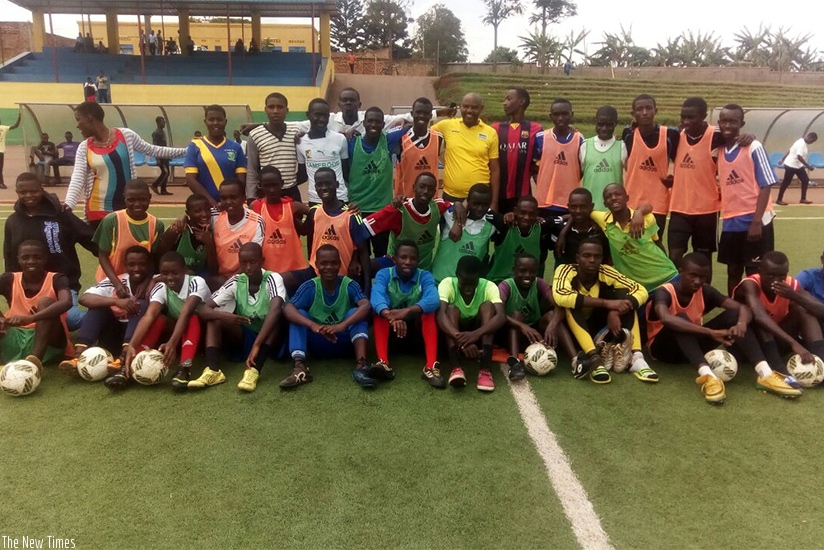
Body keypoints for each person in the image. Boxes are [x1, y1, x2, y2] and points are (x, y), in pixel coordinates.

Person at [647, 252, 778, 404]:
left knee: (733, 315)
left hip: (691, 348)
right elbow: (666, 318)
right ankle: (708, 377)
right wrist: (710, 332)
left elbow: (743, 308)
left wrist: (741, 324)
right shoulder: (664, 292)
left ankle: (765, 374)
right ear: (681, 271)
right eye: (693, 275)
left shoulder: (706, 290)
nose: (698, 281)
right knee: (680, 319)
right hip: (663, 350)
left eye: (703, 277)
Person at [553, 238, 656, 384]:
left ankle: (637, 358)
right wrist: (607, 303)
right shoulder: (566, 270)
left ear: (602, 259)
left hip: (595, 325)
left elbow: (640, 290)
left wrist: (615, 311)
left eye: (596, 256)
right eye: (586, 255)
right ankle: (594, 359)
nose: (592, 260)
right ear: (578, 258)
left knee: (626, 298)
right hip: (573, 329)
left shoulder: (606, 272)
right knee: (571, 303)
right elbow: (561, 296)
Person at [66, 101, 186, 224]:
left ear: (89, 119)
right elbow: (77, 178)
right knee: (103, 244)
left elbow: (154, 150)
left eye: (78, 120)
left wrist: (187, 151)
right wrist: (68, 204)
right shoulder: (84, 147)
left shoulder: (125, 135)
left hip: (127, 209)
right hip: (98, 211)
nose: (78, 125)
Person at [4, 174, 97, 331]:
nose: (29, 196)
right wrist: (12, 294)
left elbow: (89, 238)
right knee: (24, 324)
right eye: (23, 192)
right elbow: (10, 257)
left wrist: (111, 257)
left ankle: (102, 314)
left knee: (71, 321)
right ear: (17, 192)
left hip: (63, 285)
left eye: (33, 191)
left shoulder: (61, 215)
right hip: (29, 288)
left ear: (42, 189)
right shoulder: (13, 222)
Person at [194, 243, 288, 392]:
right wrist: (225, 316)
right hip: (247, 334)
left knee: (277, 317)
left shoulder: (273, 278)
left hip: (272, 339)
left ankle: (254, 370)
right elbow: (203, 309)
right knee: (214, 319)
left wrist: (257, 344)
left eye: (253, 262)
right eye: (244, 263)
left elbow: (276, 310)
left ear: (262, 261)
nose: (248, 267)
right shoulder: (237, 281)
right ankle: (213, 370)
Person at [58, 246, 154, 385]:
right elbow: (84, 298)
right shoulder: (119, 280)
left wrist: (152, 280)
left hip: (139, 338)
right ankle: (79, 356)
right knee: (98, 307)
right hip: (114, 335)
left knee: (140, 305)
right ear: (125, 265)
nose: (137, 269)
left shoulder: (156, 282)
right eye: (132, 264)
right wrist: (116, 301)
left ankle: (122, 359)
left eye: (142, 264)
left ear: (149, 265)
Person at [281, 245, 371, 389]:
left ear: (340, 264)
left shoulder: (348, 284)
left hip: (344, 341)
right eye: (324, 263)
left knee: (355, 312)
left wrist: (342, 325)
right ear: (316, 265)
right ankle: (299, 367)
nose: (329, 267)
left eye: (334, 263)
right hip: (319, 342)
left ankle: (361, 365)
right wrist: (313, 326)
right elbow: (288, 308)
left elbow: (366, 305)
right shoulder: (310, 286)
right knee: (300, 315)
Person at [734, 251, 824, 394]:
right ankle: (779, 370)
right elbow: (760, 317)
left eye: (781, 276)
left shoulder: (789, 284)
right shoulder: (750, 284)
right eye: (770, 275)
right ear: (760, 271)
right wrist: (794, 343)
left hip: (776, 342)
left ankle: (821, 362)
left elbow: (820, 311)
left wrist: (794, 295)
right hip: (748, 346)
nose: (776, 280)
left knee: (802, 309)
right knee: (760, 318)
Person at [123, 252, 209, 390]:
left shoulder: (196, 282)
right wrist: (132, 344)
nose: (169, 278)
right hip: (180, 333)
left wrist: (171, 343)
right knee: (158, 319)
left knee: (192, 317)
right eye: (164, 273)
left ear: (185, 270)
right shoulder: (161, 286)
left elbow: (186, 313)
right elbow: (149, 315)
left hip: (204, 334)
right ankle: (131, 363)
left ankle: (184, 368)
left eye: (175, 273)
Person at [716, 104, 778, 295]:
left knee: (755, 271)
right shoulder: (717, 148)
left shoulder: (753, 146)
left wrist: (757, 221)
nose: (728, 125)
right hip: (730, 220)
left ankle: (759, 313)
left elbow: (766, 184)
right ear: (718, 123)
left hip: (755, 219)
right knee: (733, 270)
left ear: (741, 123)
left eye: (733, 121)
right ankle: (734, 310)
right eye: (724, 120)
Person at [370, 240, 442, 387]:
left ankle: (430, 366)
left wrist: (406, 311)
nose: (408, 262)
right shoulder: (384, 274)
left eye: (413, 258)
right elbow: (376, 297)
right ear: (395, 259)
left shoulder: (425, 276)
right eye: (403, 257)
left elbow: (434, 299)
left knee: (429, 312)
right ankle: (384, 363)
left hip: (416, 331)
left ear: (418, 260)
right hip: (393, 330)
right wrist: (390, 316)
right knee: (378, 313)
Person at [668, 97, 725, 270]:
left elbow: (737, 141)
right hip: (679, 208)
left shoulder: (716, 136)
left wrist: (749, 137)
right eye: (683, 117)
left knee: (703, 259)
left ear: (703, 116)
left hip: (706, 210)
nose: (685, 121)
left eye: (691, 117)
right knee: (674, 257)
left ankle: (704, 295)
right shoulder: (677, 137)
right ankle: (677, 293)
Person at [293, 168, 370, 294]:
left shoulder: (350, 214)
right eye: (319, 184)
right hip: (316, 273)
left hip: (341, 277)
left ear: (337, 184)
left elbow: (364, 251)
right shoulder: (314, 212)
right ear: (315, 187)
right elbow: (304, 231)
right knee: (284, 280)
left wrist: (367, 289)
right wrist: (291, 211)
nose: (324, 188)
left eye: (328, 183)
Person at [436, 255, 507, 392]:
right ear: (457, 275)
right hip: (456, 336)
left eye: (473, 282)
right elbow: (440, 315)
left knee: (488, 306)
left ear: (479, 277)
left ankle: (485, 369)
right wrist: (463, 341)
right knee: (450, 309)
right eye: (464, 282)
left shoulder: (489, 286)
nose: (468, 288)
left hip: (478, 335)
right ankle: (456, 368)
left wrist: (476, 334)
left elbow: (501, 316)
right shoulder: (447, 284)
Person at [591, 183, 677, 292]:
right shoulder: (604, 220)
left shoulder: (647, 218)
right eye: (609, 196)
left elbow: (658, 243)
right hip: (636, 286)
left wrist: (639, 212)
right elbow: (583, 211)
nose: (613, 198)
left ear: (627, 198)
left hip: (665, 276)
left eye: (618, 194)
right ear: (605, 203)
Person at [499, 253, 573, 380]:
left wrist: (552, 325)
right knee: (516, 315)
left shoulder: (540, 283)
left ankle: (575, 360)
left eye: (532, 271)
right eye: (522, 271)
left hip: (534, 334)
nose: (527, 275)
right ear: (513, 270)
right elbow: (499, 314)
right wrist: (522, 326)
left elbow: (559, 306)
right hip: (511, 334)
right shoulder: (506, 286)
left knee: (551, 315)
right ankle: (515, 364)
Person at [363, 172, 455, 272]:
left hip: (422, 269)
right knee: (362, 268)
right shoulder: (399, 209)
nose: (425, 191)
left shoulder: (437, 207)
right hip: (395, 265)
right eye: (422, 186)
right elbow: (363, 228)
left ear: (434, 192)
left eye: (430, 188)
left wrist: (458, 206)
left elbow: (456, 207)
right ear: (414, 187)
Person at [0, 241, 72, 366]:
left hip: (48, 339)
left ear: (45, 259)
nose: (31, 261)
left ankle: (34, 364)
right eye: (25, 257)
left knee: (46, 302)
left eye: (37, 257)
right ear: (18, 259)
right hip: (15, 336)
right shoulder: (9, 279)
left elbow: (66, 302)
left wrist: (31, 318)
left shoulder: (57, 279)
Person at [347, 107, 404, 257]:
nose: (374, 124)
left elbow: (411, 126)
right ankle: (362, 282)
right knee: (360, 255)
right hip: (357, 209)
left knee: (381, 254)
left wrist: (403, 123)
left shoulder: (388, 140)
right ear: (364, 123)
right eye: (370, 121)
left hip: (381, 210)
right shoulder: (352, 144)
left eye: (378, 122)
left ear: (383, 124)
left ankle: (380, 281)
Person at [622, 94, 679, 237]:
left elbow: (682, 160)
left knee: (655, 244)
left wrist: (675, 178)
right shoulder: (628, 134)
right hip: (632, 201)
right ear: (633, 113)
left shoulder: (670, 135)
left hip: (658, 202)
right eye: (640, 109)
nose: (645, 112)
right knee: (633, 244)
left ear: (656, 110)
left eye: (649, 108)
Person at [431, 93, 500, 208]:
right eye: (466, 106)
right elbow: (422, 129)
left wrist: (494, 203)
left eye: (474, 107)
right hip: (451, 196)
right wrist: (440, 113)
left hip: (480, 198)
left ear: (481, 109)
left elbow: (495, 170)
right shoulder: (446, 126)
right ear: (460, 107)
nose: (469, 110)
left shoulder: (490, 133)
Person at [93, 179, 164, 285]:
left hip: (138, 282)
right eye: (131, 200)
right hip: (110, 281)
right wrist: (117, 284)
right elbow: (103, 256)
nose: (137, 204)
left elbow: (152, 260)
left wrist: (145, 284)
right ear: (124, 198)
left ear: (149, 198)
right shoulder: (112, 221)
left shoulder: (156, 225)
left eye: (142, 199)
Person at [250, 166, 309, 293]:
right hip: (267, 272)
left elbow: (318, 213)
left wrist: (302, 227)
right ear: (260, 186)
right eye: (267, 185)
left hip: (294, 271)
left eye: (275, 185)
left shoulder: (293, 206)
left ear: (282, 184)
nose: (271, 190)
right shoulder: (256, 207)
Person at [431, 183, 502, 282]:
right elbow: (431, 203)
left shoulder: (492, 224)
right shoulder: (450, 214)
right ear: (468, 201)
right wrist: (457, 205)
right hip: (438, 282)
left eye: (484, 204)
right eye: (475, 204)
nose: (480, 208)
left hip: (466, 287)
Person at [185, 104, 247, 207]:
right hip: (206, 207)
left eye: (219, 119)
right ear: (205, 121)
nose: (215, 123)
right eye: (211, 119)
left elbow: (241, 180)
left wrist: (231, 201)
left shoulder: (235, 147)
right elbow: (191, 180)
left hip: (230, 207)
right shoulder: (195, 145)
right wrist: (213, 204)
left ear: (225, 122)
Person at [492, 88, 542, 214]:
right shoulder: (495, 129)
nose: (504, 103)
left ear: (521, 102)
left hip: (522, 195)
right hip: (498, 195)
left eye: (509, 99)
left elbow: (538, 162)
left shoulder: (536, 129)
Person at [246, 92, 302, 202]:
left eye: (280, 107)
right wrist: (251, 198)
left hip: (291, 192)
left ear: (287, 110)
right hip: (267, 193)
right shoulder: (255, 135)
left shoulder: (296, 132)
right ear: (265, 110)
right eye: (271, 107)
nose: (275, 111)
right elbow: (252, 170)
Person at [534, 98, 584, 217]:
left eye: (565, 114)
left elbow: (581, 169)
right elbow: (533, 167)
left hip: (569, 203)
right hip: (544, 202)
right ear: (551, 116)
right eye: (556, 114)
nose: (560, 118)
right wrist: (542, 183)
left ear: (572, 115)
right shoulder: (541, 138)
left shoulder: (579, 139)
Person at [486, 195, 553, 282]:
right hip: (499, 280)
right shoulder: (505, 224)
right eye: (523, 212)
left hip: (527, 283)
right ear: (515, 211)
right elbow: (483, 210)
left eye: (531, 214)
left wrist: (563, 233)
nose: (526, 217)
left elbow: (563, 219)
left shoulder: (541, 227)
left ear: (537, 214)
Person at [296, 98, 350, 205]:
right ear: (308, 115)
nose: (321, 119)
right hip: (315, 199)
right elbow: (303, 174)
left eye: (325, 116)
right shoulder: (300, 142)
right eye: (317, 115)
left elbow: (346, 171)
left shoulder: (340, 139)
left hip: (339, 198)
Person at [210, 178, 264, 283]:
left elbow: (254, 259)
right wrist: (183, 219)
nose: (228, 202)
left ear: (243, 198)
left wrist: (229, 282)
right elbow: (192, 219)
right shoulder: (214, 216)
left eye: (233, 197)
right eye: (224, 198)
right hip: (218, 276)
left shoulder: (257, 221)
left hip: (245, 277)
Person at [393, 97, 443, 199]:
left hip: (430, 199)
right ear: (412, 113)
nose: (422, 116)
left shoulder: (438, 138)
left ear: (430, 115)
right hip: (405, 199)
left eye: (426, 113)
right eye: (418, 112)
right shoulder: (400, 138)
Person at [158, 193, 217, 277]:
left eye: (207, 210)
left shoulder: (211, 231)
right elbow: (159, 256)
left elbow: (214, 271)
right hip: (174, 276)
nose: (204, 214)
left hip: (199, 277)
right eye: (197, 211)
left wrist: (209, 244)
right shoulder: (177, 230)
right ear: (188, 213)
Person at [580, 105, 626, 211]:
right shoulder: (585, 146)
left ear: (615, 124)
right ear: (595, 122)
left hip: (614, 210)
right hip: (590, 210)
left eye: (609, 125)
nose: (604, 128)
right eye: (600, 124)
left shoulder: (622, 147)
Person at [553, 188, 610, 267]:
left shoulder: (601, 231)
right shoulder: (558, 230)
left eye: (583, 207)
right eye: (574, 207)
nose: (578, 211)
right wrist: (563, 233)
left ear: (591, 206)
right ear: (568, 207)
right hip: (566, 278)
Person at [777, 132, 818, 205]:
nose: (811, 143)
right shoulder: (801, 144)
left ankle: (803, 198)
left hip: (798, 165)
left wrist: (782, 159)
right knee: (786, 182)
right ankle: (779, 199)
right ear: (810, 138)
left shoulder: (800, 141)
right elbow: (799, 156)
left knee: (805, 180)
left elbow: (790, 150)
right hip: (791, 165)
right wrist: (808, 166)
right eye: (812, 141)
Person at [149, 117, 172, 196]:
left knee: (166, 172)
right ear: (158, 123)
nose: (164, 124)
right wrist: (157, 158)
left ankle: (163, 190)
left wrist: (167, 155)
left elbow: (164, 146)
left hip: (164, 156)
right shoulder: (156, 133)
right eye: (163, 122)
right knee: (166, 172)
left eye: (164, 122)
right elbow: (154, 146)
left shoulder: (162, 132)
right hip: (160, 157)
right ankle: (154, 185)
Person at [0, 112, 22, 189]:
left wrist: (19, 118)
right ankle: (1, 183)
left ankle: (1, 183)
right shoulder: (4, 128)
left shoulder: (3, 128)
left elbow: (15, 126)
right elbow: (16, 125)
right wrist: (19, 118)